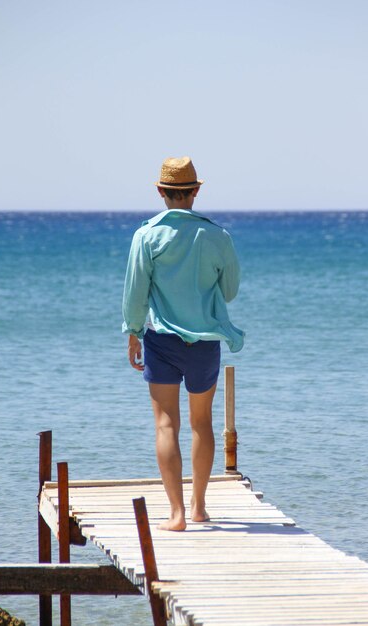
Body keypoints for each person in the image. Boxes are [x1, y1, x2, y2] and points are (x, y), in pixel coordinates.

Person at [122, 156, 244, 531]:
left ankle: (175, 514)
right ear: (195, 191)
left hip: (160, 341)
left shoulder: (146, 235)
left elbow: (136, 293)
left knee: (165, 425)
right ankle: (199, 507)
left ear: (161, 192)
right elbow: (231, 290)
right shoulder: (217, 235)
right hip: (205, 342)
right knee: (202, 424)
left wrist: (132, 332)